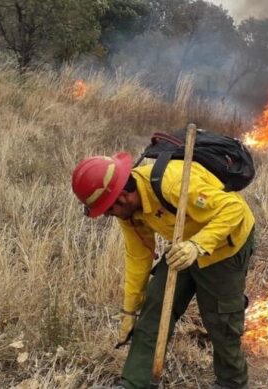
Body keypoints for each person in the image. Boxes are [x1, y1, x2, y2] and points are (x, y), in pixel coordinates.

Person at [71, 152, 255, 389]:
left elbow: (234, 209)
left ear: (123, 196)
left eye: (107, 209)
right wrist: (129, 310)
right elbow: (138, 257)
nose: (108, 214)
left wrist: (197, 245)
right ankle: (135, 382)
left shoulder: (173, 183)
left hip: (224, 244)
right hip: (183, 244)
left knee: (221, 320)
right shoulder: (128, 212)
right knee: (154, 307)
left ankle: (232, 383)